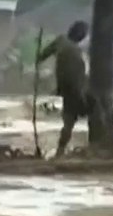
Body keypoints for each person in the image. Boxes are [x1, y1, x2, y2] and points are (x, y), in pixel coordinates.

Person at [38, 20, 93, 157]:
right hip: (74, 89)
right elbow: (77, 77)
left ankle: (60, 151)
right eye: (84, 34)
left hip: (65, 88)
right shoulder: (75, 52)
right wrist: (82, 96)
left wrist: (39, 59)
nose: (85, 37)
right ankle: (62, 151)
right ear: (80, 35)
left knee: (69, 122)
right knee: (76, 119)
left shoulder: (61, 41)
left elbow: (45, 53)